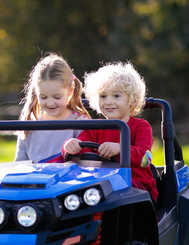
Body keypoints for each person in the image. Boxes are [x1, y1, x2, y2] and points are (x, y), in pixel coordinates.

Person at [62, 62, 158, 202]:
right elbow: (81, 149)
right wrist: (70, 145)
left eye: (116, 96)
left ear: (132, 99)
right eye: (103, 96)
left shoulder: (141, 127)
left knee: (111, 191)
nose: (108, 102)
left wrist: (120, 149)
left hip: (136, 187)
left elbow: (145, 158)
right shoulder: (94, 127)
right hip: (99, 185)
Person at [14, 53, 90, 163]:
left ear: (70, 90)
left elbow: (88, 163)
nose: (50, 103)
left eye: (57, 97)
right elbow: (20, 164)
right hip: (34, 179)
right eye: (43, 97)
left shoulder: (80, 123)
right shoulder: (29, 124)